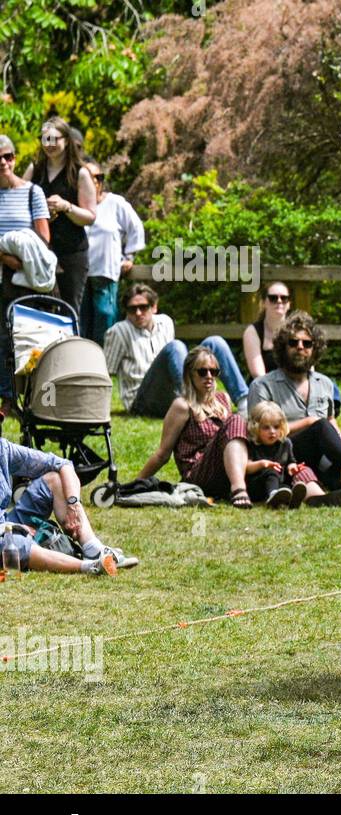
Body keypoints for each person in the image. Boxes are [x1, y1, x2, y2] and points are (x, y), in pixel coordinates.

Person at [246, 311, 341, 498]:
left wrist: (335, 433)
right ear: (282, 347)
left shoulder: (325, 384)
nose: (300, 347)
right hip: (283, 455)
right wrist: (309, 423)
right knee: (319, 426)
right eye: (293, 342)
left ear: (315, 349)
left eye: (307, 343)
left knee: (330, 463)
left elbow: (330, 419)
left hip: (317, 456)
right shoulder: (262, 385)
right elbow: (255, 433)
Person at [133, 346, 258, 508]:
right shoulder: (182, 406)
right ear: (189, 374)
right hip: (198, 475)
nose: (209, 377)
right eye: (202, 372)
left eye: (214, 372)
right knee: (236, 420)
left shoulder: (224, 400)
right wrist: (135, 485)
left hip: (224, 473)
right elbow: (162, 454)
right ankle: (239, 489)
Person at [103, 283, 249, 418]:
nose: (138, 313)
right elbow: (105, 372)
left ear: (154, 307)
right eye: (132, 309)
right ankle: (194, 403)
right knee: (175, 346)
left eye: (143, 307)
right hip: (142, 401)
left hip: (174, 394)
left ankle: (244, 402)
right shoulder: (118, 332)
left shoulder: (165, 322)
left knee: (215, 342)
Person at [0, 436, 138, 575]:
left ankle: (93, 549)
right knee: (12, 543)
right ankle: (91, 566)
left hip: (6, 522)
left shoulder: (4, 449)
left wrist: (74, 504)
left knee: (55, 479)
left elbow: (62, 464)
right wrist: (14, 529)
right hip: (3, 530)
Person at [0, 133, 52, 416]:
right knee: (1, 339)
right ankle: (7, 399)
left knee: (24, 336)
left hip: (23, 280)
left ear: (15, 158)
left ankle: (32, 399)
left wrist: (17, 257)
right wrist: (3, 256)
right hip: (3, 270)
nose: (4, 162)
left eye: (8, 156)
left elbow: (43, 239)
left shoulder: (33, 192)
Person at [22, 117, 97, 315]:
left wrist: (66, 207)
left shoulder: (80, 173)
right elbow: (19, 202)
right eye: (45, 139)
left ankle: (69, 347)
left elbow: (90, 216)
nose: (50, 144)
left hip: (71, 253)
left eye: (55, 139)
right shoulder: (34, 170)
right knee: (38, 310)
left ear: (67, 139)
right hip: (38, 252)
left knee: (69, 311)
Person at [81, 159, 145, 346]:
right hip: (80, 275)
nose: (94, 182)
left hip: (106, 272)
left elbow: (136, 228)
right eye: (88, 177)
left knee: (105, 316)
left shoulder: (115, 203)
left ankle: (106, 366)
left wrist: (129, 256)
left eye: (98, 177)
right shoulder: (75, 205)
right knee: (82, 321)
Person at [245, 400, 341, 508]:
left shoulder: (285, 444)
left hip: (282, 482)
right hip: (258, 485)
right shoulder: (252, 445)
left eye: (276, 427)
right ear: (255, 428)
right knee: (272, 471)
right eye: (266, 428)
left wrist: (293, 468)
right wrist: (262, 464)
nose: (272, 431)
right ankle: (274, 497)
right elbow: (246, 467)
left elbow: (291, 462)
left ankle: (318, 497)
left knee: (303, 470)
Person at [242, 282, 292, 379]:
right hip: (262, 389)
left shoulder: (298, 332)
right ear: (264, 303)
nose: (279, 301)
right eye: (273, 298)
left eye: (284, 298)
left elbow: (308, 370)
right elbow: (258, 376)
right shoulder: (253, 332)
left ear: (289, 304)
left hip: (294, 389)